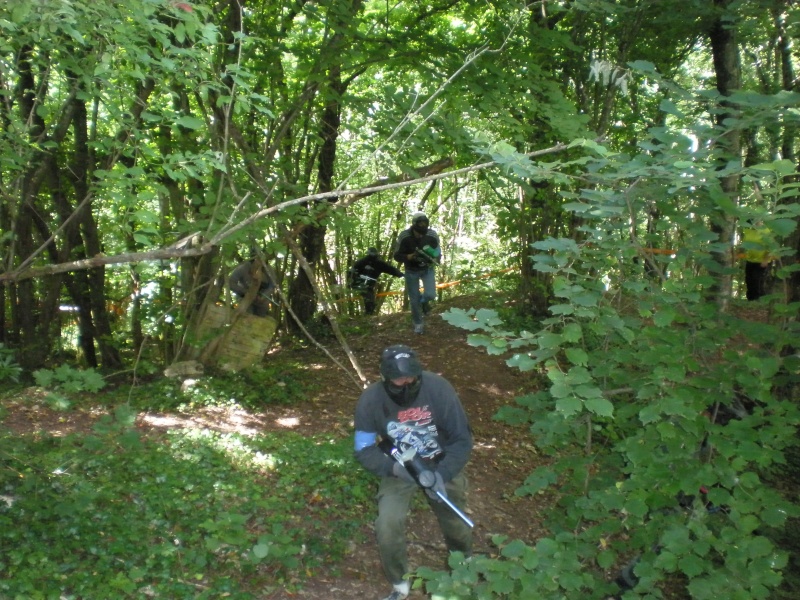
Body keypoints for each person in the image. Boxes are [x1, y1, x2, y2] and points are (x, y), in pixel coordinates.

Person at [354, 345, 472, 600]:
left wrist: (444, 473)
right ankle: (399, 583)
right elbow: (363, 449)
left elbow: (462, 439)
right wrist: (393, 468)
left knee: (456, 520)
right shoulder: (370, 400)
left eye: (411, 378)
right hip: (398, 467)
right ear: (385, 378)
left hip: (440, 463)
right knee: (387, 523)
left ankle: (462, 566)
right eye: (399, 379)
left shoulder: (439, 388)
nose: (406, 384)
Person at [393, 212, 441, 334]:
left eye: (425, 223)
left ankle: (424, 302)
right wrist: (409, 257)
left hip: (427, 268)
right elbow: (397, 255)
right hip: (411, 270)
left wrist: (435, 258)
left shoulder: (432, 234)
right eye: (420, 223)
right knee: (414, 300)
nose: (423, 226)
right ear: (414, 224)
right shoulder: (404, 236)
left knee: (430, 295)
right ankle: (418, 324)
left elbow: (437, 251)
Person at [348, 247, 404, 315]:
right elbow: (351, 272)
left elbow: (390, 269)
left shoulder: (379, 263)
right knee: (368, 297)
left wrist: (401, 274)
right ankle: (368, 313)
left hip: (369, 284)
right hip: (360, 283)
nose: (372, 256)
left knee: (370, 298)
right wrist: (351, 283)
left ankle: (369, 313)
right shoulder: (361, 262)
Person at [741, 224, 772, 301]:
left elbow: (771, 246)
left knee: (757, 280)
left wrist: (765, 260)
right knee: (749, 280)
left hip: (761, 261)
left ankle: (759, 299)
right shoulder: (748, 231)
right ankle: (750, 300)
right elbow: (744, 244)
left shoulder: (767, 231)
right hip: (750, 260)